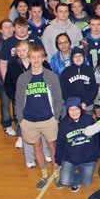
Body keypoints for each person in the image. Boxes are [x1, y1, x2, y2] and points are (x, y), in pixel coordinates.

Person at [15, 45, 63, 189]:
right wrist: (21, 121)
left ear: (43, 59)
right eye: (33, 57)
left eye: (38, 57)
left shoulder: (51, 76)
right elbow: (17, 100)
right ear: (29, 59)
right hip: (29, 120)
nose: (36, 60)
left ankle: (56, 173)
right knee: (37, 147)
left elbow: (58, 99)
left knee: (52, 146)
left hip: (48, 119)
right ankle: (43, 173)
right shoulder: (23, 78)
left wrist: (55, 117)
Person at [55, 97, 100, 192]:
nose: (74, 112)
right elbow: (60, 143)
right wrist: (58, 161)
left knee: (86, 183)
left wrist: (95, 155)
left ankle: (78, 174)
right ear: (67, 111)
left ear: (81, 109)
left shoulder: (89, 120)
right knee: (65, 181)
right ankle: (70, 175)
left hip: (87, 160)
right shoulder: (63, 124)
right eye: (71, 110)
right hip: (70, 159)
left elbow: (96, 139)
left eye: (76, 109)